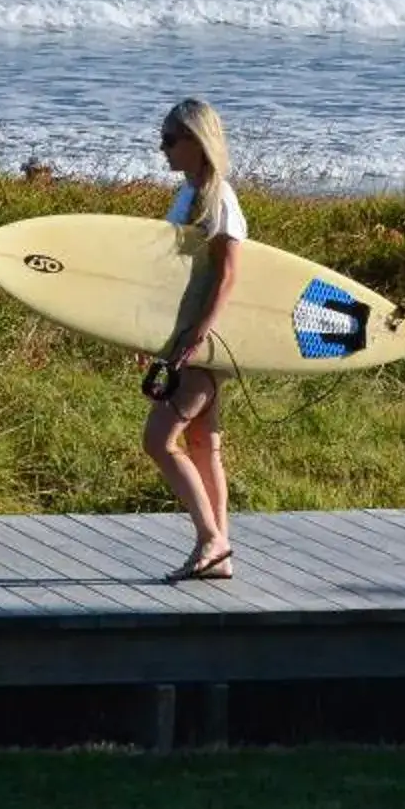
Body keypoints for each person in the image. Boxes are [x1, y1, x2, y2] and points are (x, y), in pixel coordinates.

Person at [143, 96, 244, 583]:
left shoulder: (217, 198)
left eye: (169, 139)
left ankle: (211, 538)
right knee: (203, 444)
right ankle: (220, 557)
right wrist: (148, 331)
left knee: (159, 441)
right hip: (185, 338)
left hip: (204, 341)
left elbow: (228, 275)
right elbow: (173, 274)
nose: (162, 149)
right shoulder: (188, 195)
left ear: (196, 143)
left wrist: (198, 336)